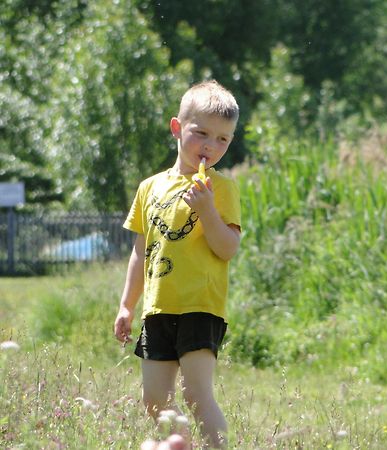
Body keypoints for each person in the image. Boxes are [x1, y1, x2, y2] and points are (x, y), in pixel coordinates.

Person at [114, 80, 241, 449]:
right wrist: (126, 304)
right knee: (155, 401)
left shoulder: (221, 189)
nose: (210, 146)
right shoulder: (149, 188)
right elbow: (141, 251)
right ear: (176, 128)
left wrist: (206, 210)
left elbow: (227, 247)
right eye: (201, 133)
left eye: (222, 139)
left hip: (201, 306)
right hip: (157, 309)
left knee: (197, 395)